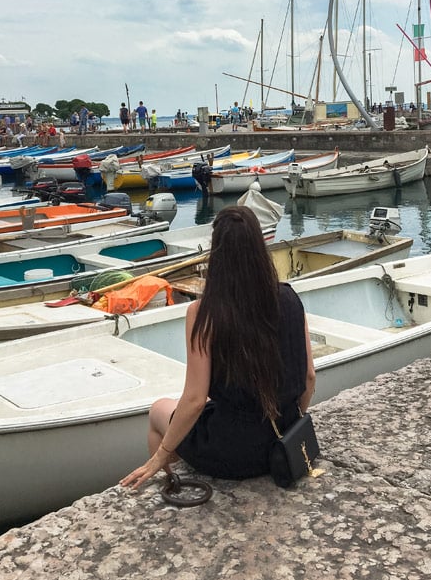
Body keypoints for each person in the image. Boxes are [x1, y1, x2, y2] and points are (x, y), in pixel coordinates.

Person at [120, 205, 316, 491]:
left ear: (217, 253)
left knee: (159, 411)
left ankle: (172, 485)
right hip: (281, 444)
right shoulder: (288, 297)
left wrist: (161, 453)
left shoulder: (204, 313)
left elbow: (195, 399)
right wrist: (289, 425)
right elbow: (309, 377)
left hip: (233, 452)